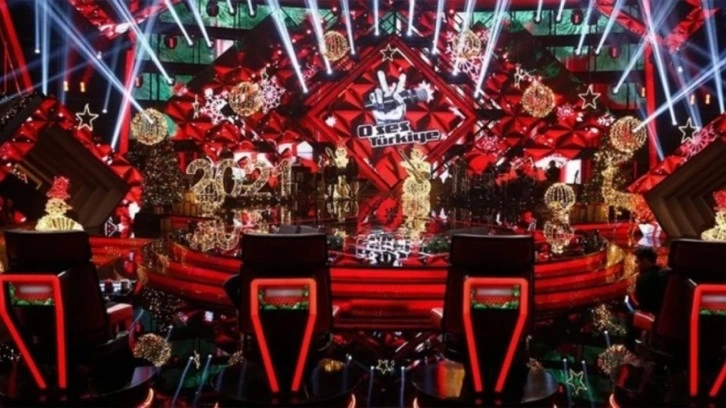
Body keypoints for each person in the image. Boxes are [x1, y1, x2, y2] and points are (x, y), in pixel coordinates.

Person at [633, 246, 668, 314]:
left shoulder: (642, 279)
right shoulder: (665, 275)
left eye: (637, 261)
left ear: (645, 260)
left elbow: (643, 307)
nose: (636, 265)